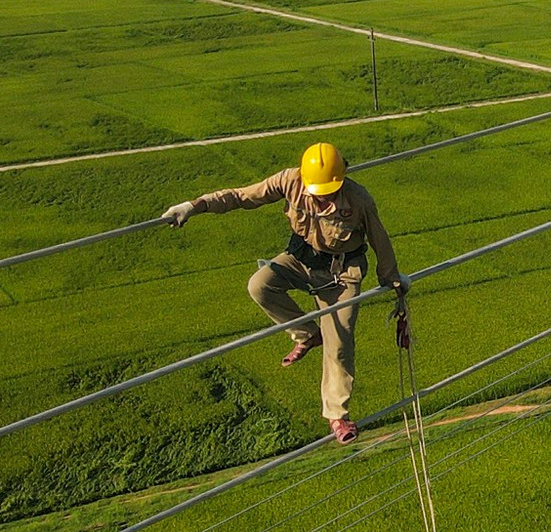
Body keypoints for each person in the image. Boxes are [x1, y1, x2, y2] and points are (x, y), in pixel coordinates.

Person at [162, 143, 407, 444]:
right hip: (301, 260)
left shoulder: (358, 199)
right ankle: (306, 333)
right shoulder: (289, 181)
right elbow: (241, 196)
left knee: (340, 343)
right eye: (318, 190)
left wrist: (392, 278)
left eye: (329, 190)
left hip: (340, 274)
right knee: (260, 285)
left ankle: (337, 416)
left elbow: (380, 239)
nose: (322, 196)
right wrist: (194, 205)